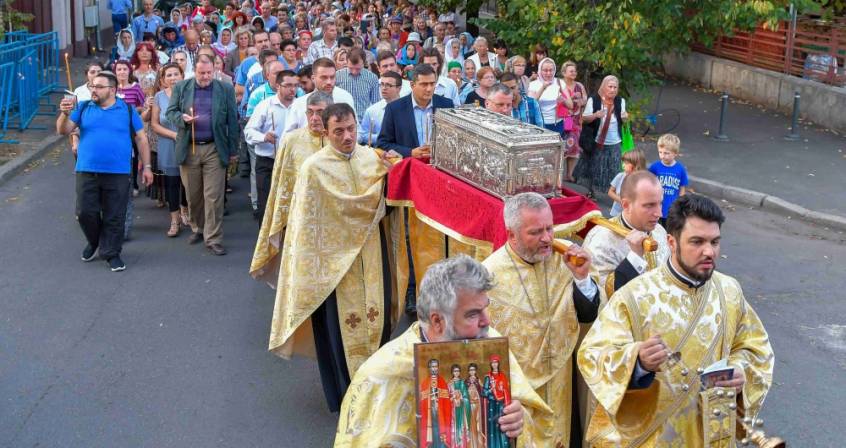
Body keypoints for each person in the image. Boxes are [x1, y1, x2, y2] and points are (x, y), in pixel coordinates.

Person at [578, 194, 774, 447]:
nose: (709, 251)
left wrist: (740, 370)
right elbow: (593, 354)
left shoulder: (730, 290)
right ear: (671, 242)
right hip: (653, 436)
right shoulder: (635, 295)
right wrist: (638, 361)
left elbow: (754, 347)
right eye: (697, 242)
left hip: (709, 435)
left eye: (715, 242)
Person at [335, 255, 555, 447]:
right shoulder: (380, 375)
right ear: (438, 321)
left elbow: (535, 417)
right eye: (472, 314)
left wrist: (518, 419)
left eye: (486, 307)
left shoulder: (490, 343)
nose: (487, 321)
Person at [266, 103, 399, 412]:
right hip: (334, 266)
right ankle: (346, 394)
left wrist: (393, 178)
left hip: (371, 254)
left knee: (378, 319)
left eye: (351, 129)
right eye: (338, 131)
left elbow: (388, 203)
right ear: (325, 132)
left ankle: (377, 389)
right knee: (340, 329)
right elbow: (306, 224)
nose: (347, 136)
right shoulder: (314, 167)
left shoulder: (372, 159)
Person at [482, 192, 601, 446]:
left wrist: (582, 278)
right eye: (536, 232)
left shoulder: (564, 260)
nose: (547, 238)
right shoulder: (487, 276)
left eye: (550, 228)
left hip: (561, 381)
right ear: (511, 234)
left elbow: (588, 316)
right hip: (519, 392)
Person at [56, 70, 153, 272]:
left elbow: (141, 139)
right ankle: (95, 240)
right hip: (86, 170)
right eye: (92, 85)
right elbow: (63, 130)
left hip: (118, 172)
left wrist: (148, 167)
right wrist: (64, 114)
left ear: (112, 90)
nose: (94, 90)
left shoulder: (127, 110)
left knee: (114, 214)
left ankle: (112, 253)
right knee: (84, 212)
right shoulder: (83, 107)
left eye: (99, 87)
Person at [249, 91, 333, 285]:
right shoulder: (292, 140)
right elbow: (282, 182)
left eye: (320, 112)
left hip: (330, 215)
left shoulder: (337, 140)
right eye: (310, 112)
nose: (314, 118)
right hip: (300, 215)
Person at [165, 54, 239, 256]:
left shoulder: (224, 89)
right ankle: (198, 228)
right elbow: (170, 113)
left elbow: (233, 120)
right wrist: (182, 118)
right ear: (194, 71)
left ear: (214, 70)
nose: (205, 77)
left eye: (209, 73)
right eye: (201, 73)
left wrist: (233, 150)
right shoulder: (182, 88)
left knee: (213, 196)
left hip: (215, 148)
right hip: (189, 148)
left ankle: (213, 237)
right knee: (193, 195)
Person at [583, 170, 670, 299]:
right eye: (649, 205)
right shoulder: (601, 240)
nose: (659, 214)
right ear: (626, 205)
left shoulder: (659, 230)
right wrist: (634, 258)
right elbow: (600, 298)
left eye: (660, 203)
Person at [244, 69, 297, 221]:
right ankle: (265, 243)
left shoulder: (301, 106)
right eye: (288, 85)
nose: (293, 89)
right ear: (278, 86)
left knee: (290, 206)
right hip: (268, 163)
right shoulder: (265, 106)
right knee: (266, 206)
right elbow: (248, 131)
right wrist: (263, 137)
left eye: (295, 85)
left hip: (291, 163)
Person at [377, 63, 453, 159]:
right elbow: (383, 144)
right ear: (412, 85)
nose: (429, 89)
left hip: (439, 166)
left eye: (432, 84)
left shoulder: (446, 105)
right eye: (424, 84)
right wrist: (410, 152)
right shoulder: (394, 109)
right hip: (409, 167)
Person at [151, 63, 189, 237]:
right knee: (172, 183)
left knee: (188, 182)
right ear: (163, 80)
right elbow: (154, 124)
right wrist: (173, 135)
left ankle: (186, 210)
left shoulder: (189, 94)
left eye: (176, 74)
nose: (173, 78)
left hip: (188, 143)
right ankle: (174, 220)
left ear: (182, 76)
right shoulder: (159, 96)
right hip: (168, 143)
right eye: (169, 75)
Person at [578, 75, 628, 197]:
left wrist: (625, 118)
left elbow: (624, 118)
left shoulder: (620, 101)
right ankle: (592, 192)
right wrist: (595, 115)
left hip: (614, 141)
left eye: (615, 87)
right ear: (604, 87)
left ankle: (615, 193)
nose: (612, 90)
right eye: (610, 86)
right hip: (596, 140)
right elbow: (584, 119)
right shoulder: (593, 100)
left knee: (614, 169)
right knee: (594, 168)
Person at [282, 57, 354, 132]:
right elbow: (287, 138)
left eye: (332, 77)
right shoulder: (299, 104)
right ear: (313, 78)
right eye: (324, 77)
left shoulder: (345, 98)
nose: (329, 82)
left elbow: (354, 129)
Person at [649, 133, 689, 227]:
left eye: (666, 153)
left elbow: (682, 188)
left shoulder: (680, 169)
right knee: (654, 230)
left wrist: (680, 203)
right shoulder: (654, 167)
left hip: (671, 208)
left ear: (675, 153)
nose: (663, 156)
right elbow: (648, 184)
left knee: (669, 231)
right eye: (660, 152)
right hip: (656, 206)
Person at [559, 61, 587, 183]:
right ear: (564, 73)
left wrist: (581, 100)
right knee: (561, 146)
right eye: (571, 71)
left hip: (575, 120)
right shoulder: (558, 84)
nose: (574, 73)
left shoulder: (579, 86)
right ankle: (559, 174)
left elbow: (585, 98)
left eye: (575, 71)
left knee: (574, 146)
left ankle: (569, 174)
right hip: (561, 119)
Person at [335, 48, 380, 121]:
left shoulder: (372, 78)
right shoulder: (337, 76)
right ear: (347, 62)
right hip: (341, 120)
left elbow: (376, 104)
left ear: (364, 63)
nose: (354, 72)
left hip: (363, 121)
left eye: (358, 69)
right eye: (351, 68)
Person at [358, 70, 401, 145]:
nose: (384, 88)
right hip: (380, 152)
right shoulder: (372, 110)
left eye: (388, 85)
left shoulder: (408, 108)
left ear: (399, 88)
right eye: (382, 84)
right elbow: (363, 134)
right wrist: (381, 138)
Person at [420, 358, 452, 447]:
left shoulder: (442, 382)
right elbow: (422, 402)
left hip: (440, 412)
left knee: (440, 431)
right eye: (432, 366)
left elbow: (446, 401)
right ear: (429, 368)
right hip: (429, 413)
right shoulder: (425, 383)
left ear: (438, 368)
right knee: (432, 433)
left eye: (436, 366)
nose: (434, 368)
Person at [608, 150, 647, 217]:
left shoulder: (642, 181)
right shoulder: (620, 176)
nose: (623, 165)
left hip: (633, 215)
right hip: (617, 214)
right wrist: (621, 201)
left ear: (635, 165)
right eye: (623, 162)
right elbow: (610, 192)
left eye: (626, 163)